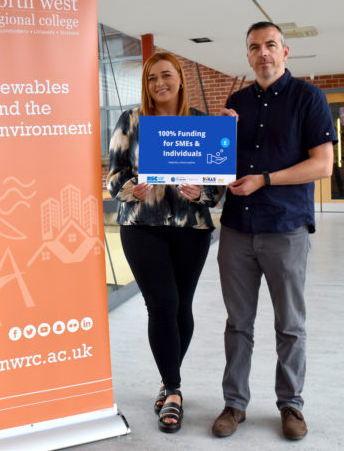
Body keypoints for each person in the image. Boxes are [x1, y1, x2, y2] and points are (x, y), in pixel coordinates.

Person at [212, 21, 336, 440]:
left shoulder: (309, 98)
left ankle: (291, 406)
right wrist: (216, 140)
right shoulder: (236, 101)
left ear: (285, 52)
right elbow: (221, 165)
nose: (262, 53)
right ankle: (234, 404)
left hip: (286, 228)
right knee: (237, 324)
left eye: (270, 45)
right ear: (247, 56)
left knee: (290, 325)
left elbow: (323, 165)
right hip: (236, 229)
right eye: (254, 47)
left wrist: (264, 179)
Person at [107, 52, 224, 433]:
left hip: (191, 228)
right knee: (162, 305)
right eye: (152, 77)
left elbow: (217, 187)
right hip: (142, 226)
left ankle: (165, 380)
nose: (159, 83)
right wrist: (129, 189)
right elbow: (113, 177)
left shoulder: (202, 124)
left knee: (182, 307)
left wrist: (201, 192)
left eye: (167, 75)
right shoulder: (132, 121)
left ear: (180, 79)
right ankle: (173, 391)